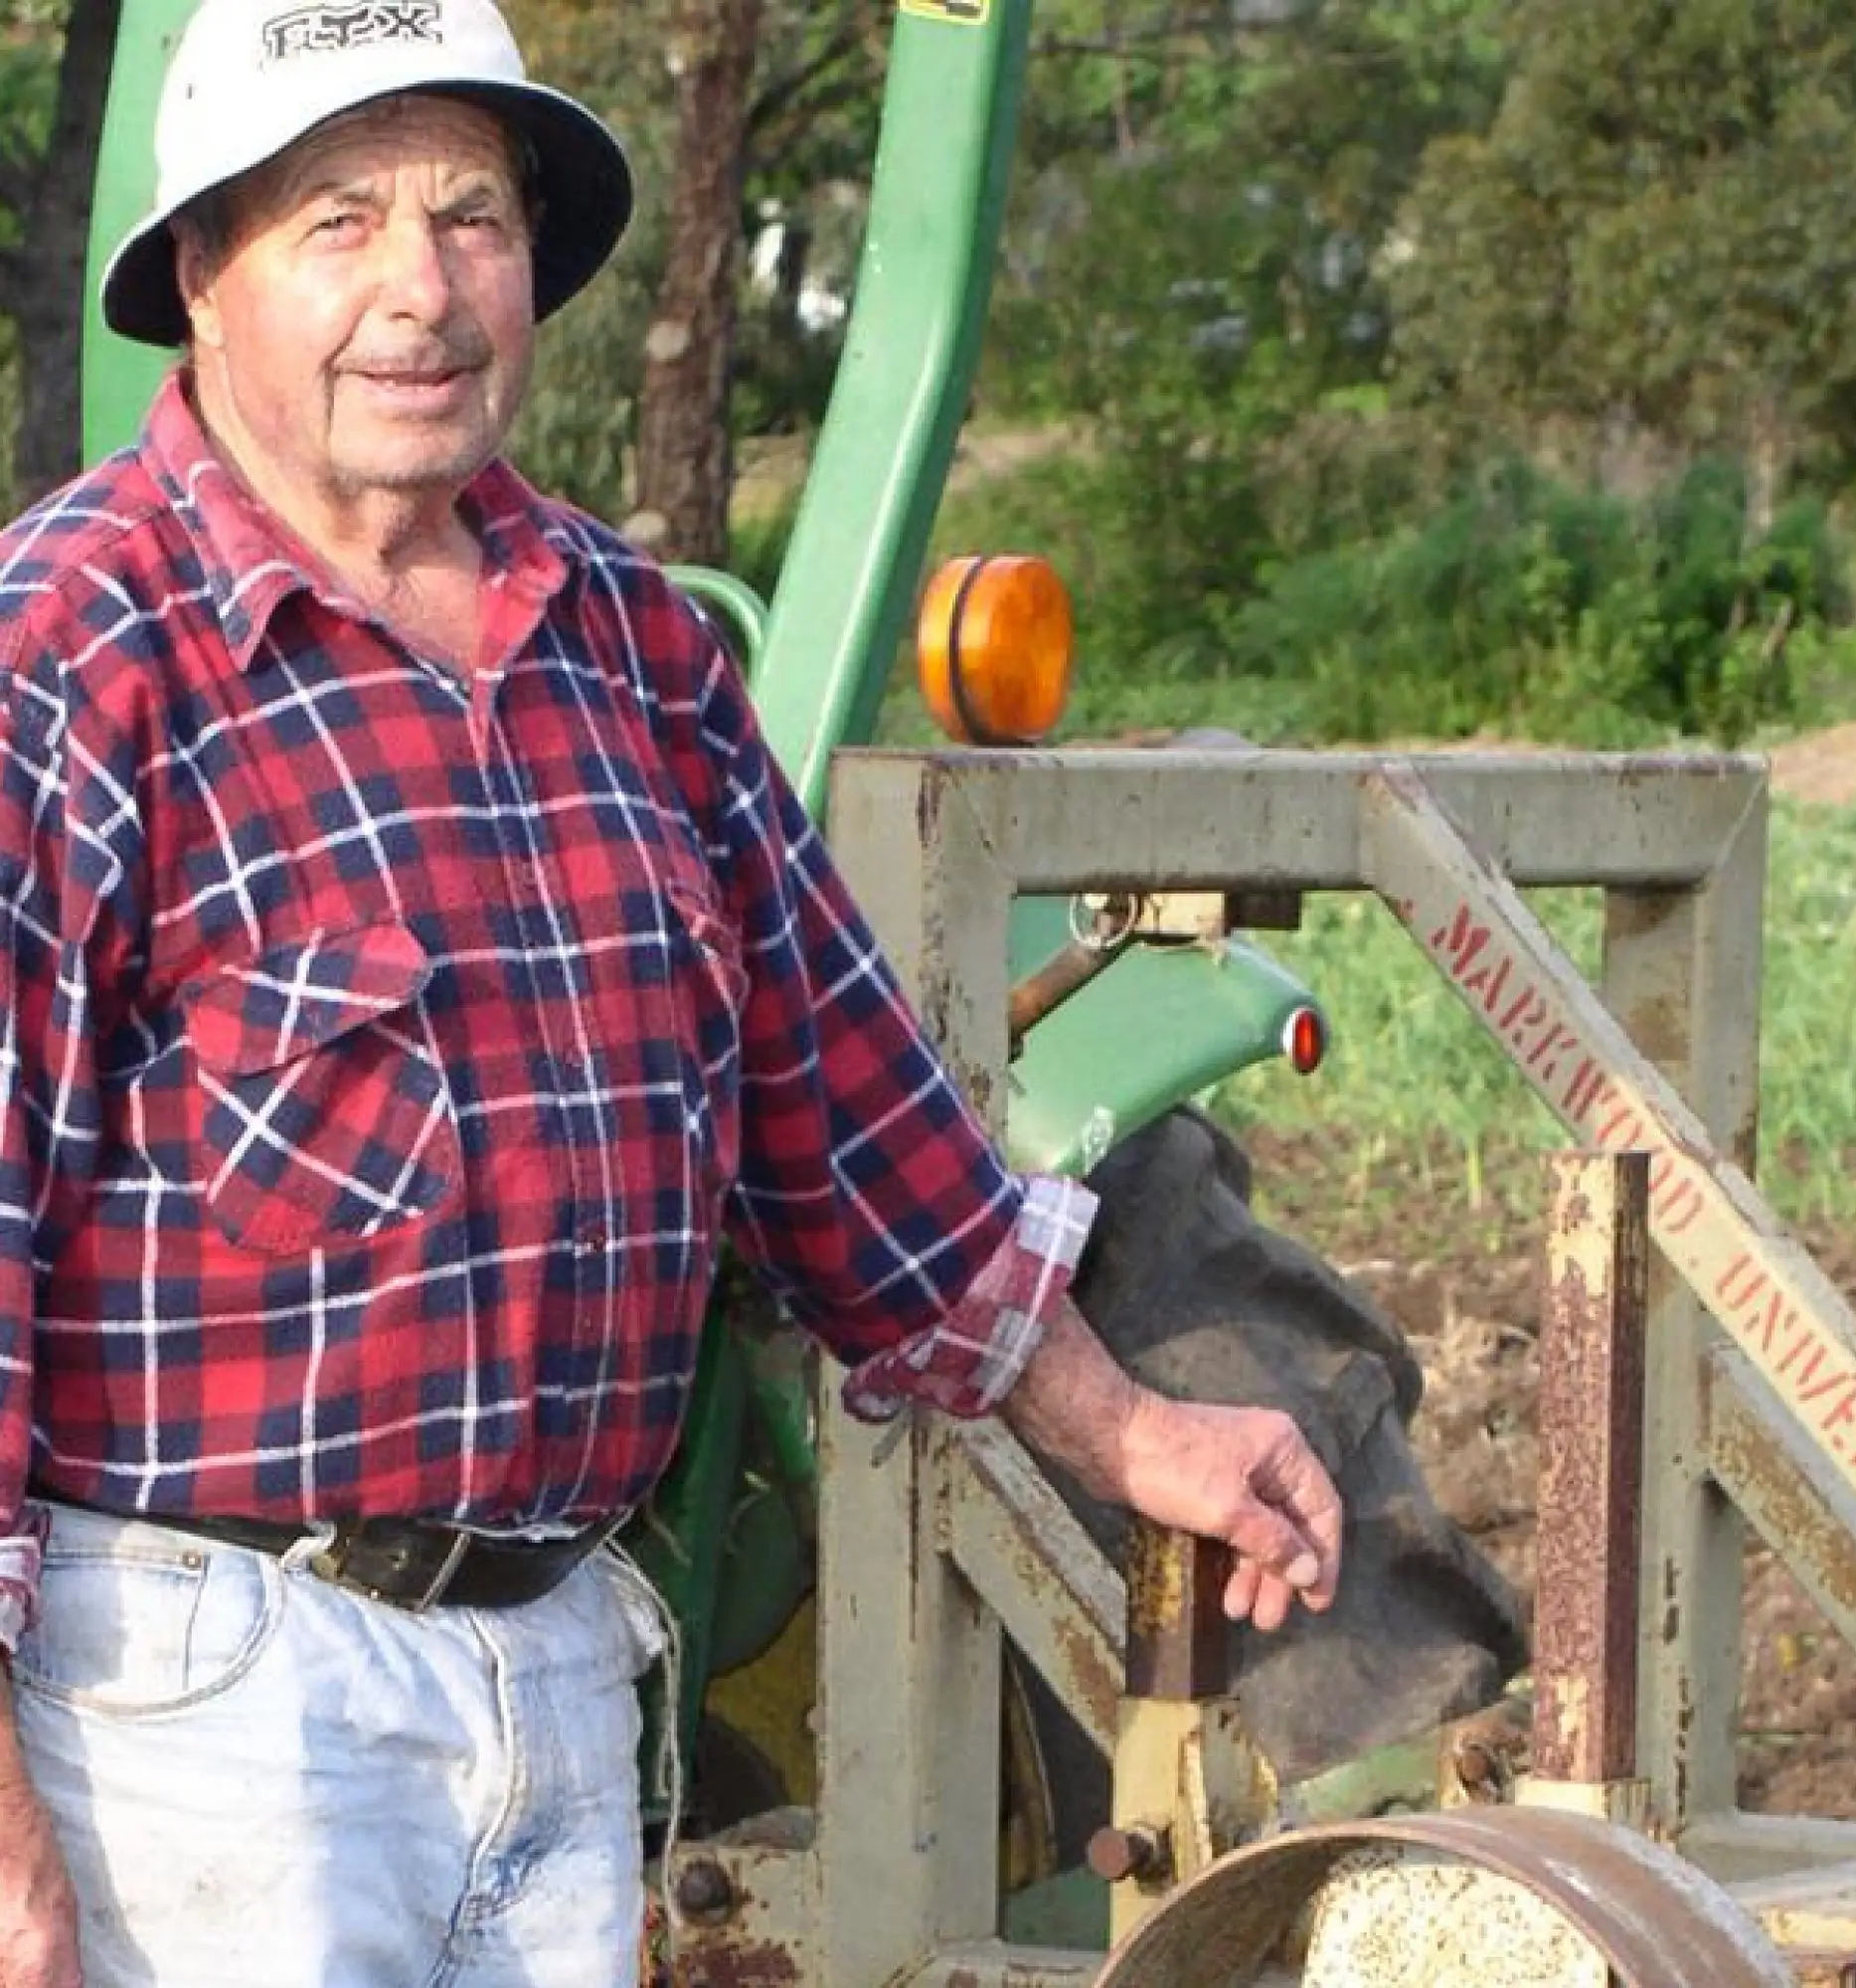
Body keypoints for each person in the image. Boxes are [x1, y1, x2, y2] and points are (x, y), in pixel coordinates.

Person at [0, 2, 1344, 1982]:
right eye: (338, 223)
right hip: (214, 1713)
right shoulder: (72, 654)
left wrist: (1128, 1427)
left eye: (470, 219)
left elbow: (849, 1120)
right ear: (202, 274)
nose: (420, 290)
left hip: (555, 1668)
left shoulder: (626, 643)